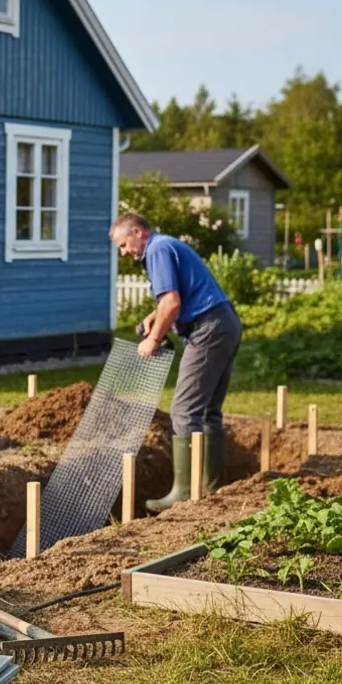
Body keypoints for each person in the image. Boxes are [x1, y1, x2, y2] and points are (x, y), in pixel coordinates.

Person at [109, 213, 243, 512]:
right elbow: (174, 299)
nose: (124, 252)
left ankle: (184, 492)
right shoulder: (167, 245)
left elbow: (172, 302)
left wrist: (152, 341)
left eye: (123, 244)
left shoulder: (156, 249)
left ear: (137, 231)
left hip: (207, 329)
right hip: (224, 323)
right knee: (208, 411)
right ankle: (209, 488)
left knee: (184, 411)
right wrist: (154, 317)